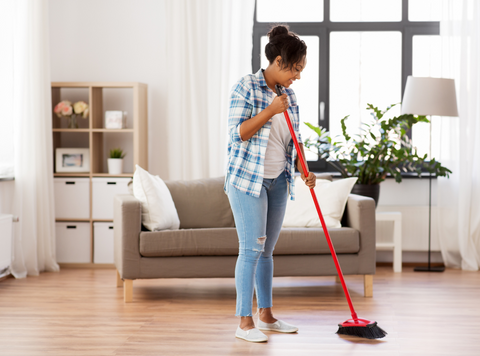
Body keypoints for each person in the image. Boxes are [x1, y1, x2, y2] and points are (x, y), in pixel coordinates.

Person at [224, 25, 317, 343]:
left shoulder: (289, 95)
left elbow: (294, 138)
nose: (298, 77)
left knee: (267, 252)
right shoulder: (246, 87)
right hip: (248, 182)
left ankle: (266, 316)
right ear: (279, 61)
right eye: (296, 69)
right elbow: (238, 133)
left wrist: (304, 167)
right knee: (250, 250)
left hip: (278, 180)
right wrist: (269, 110)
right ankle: (243, 322)